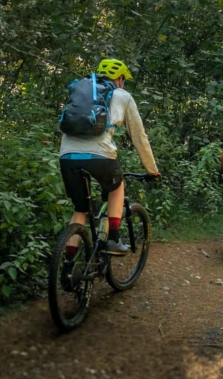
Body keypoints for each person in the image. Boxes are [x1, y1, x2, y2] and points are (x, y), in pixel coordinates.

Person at [59, 59, 160, 256]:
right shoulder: (123, 95)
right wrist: (151, 169)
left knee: (80, 209)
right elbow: (139, 137)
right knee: (117, 186)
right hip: (100, 154)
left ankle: (68, 265)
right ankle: (113, 238)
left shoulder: (82, 90)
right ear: (120, 79)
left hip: (66, 155)